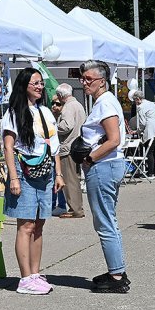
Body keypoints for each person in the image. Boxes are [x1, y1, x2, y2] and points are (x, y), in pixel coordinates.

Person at [0, 68, 61, 295]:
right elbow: (8, 146)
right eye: (34, 83)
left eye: (40, 83)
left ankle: (35, 274)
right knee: (25, 225)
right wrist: (13, 177)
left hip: (45, 172)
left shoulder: (45, 111)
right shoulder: (14, 113)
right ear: (24, 85)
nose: (39, 86)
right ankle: (25, 278)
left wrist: (59, 174)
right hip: (24, 173)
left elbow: (53, 145)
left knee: (39, 225)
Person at [77, 61, 128, 293]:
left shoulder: (105, 102)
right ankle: (115, 270)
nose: (84, 82)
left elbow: (113, 139)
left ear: (102, 81)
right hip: (108, 165)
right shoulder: (104, 102)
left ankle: (117, 275)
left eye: (89, 79)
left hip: (104, 165)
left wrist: (90, 158)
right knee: (107, 219)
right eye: (83, 78)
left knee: (105, 222)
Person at [54, 82, 86, 219]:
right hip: (77, 146)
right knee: (75, 179)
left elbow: (67, 125)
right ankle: (76, 207)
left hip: (68, 147)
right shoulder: (78, 105)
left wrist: (53, 127)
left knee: (69, 180)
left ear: (61, 95)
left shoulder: (68, 107)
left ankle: (75, 209)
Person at [128, 89, 155, 174]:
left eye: (135, 100)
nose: (135, 103)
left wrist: (137, 132)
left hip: (151, 131)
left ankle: (150, 173)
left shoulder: (141, 107)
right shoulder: (152, 104)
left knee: (149, 152)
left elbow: (142, 123)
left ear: (138, 99)